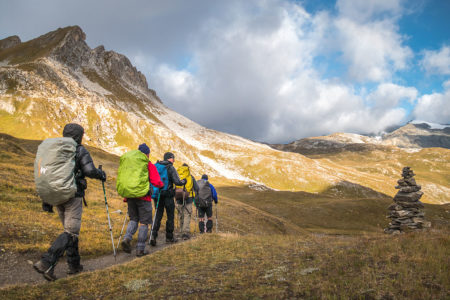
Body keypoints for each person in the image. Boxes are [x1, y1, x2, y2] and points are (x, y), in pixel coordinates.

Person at [33, 123, 106, 281]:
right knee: (71, 232)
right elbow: (89, 171)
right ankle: (46, 262)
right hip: (73, 195)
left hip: (56, 195)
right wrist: (101, 174)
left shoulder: (55, 149)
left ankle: (74, 266)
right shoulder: (78, 149)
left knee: (70, 232)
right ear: (79, 135)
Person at [120, 143, 164, 256]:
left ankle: (127, 238)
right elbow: (156, 181)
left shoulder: (129, 163)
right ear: (147, 154)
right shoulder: (147, 163)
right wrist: (161, 185)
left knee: (134, 219)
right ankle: (140, 249)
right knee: (144, 223)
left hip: (130, 196)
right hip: (144, 197)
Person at [150, 152, 186, 246]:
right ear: (169, 159)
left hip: (157, 195)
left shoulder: (156, 166)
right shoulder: (170, 167)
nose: (174, 160)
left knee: (158, 216)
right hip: (168, 195)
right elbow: (177, 182)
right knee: (170, 216)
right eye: (173, 158)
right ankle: (169, 238)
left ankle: (153, 236)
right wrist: (184, 181)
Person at [175, 163, 199, 240]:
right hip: (188, 197)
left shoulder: (177, 175)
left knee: (181, 214)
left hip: (178, 197)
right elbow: (196, 188)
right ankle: (185, 233)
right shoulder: (191, 177)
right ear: (188, 169)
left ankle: (181, 230)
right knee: (187, 214)